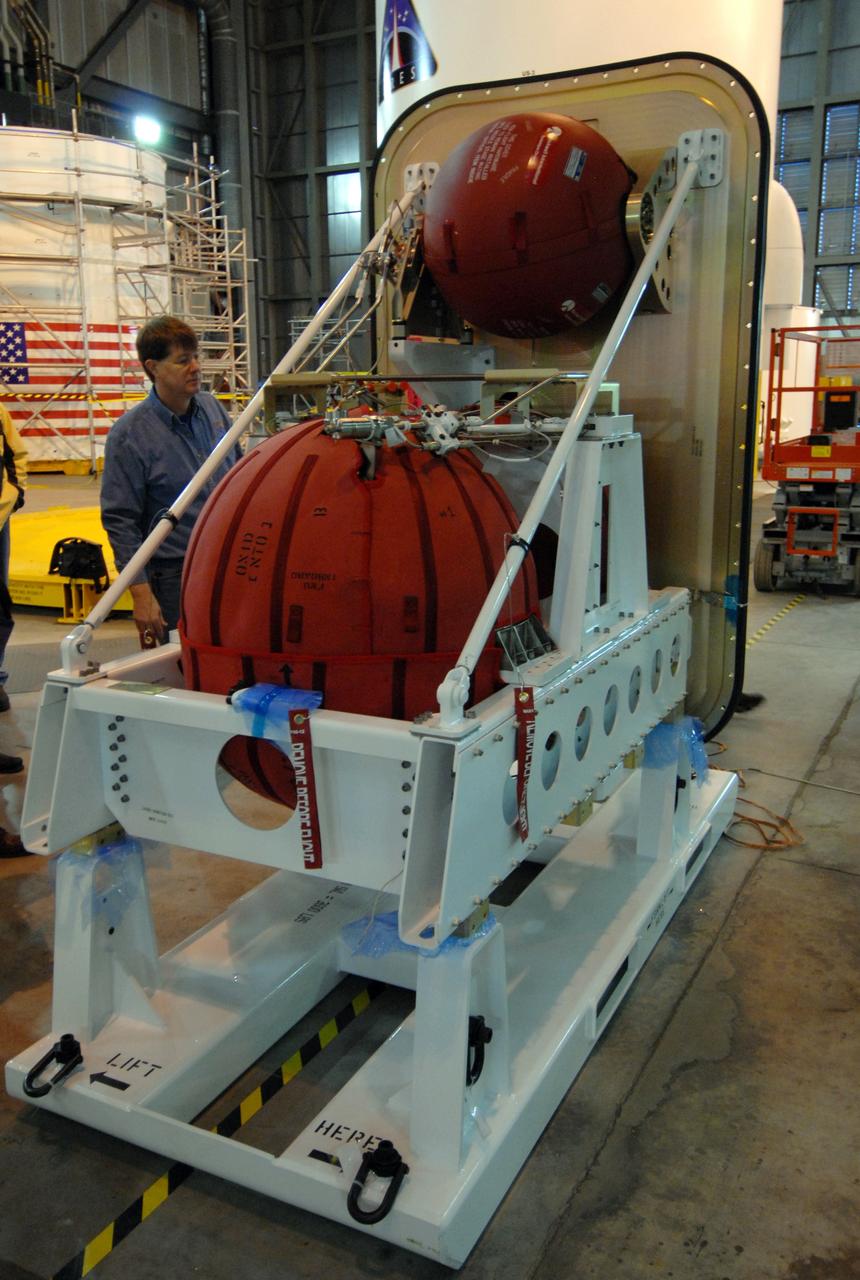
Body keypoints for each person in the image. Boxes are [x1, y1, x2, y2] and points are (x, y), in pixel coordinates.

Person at [100, 316, 243, 646]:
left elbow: (238, 473)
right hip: (173, 577)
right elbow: (120, 521)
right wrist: (140, 593)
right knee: (179, 666)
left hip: (227, 561)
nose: (195, 367)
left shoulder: (213, 410)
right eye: (182, 361)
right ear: (153, 368)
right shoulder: (129, 436)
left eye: (196, 357)